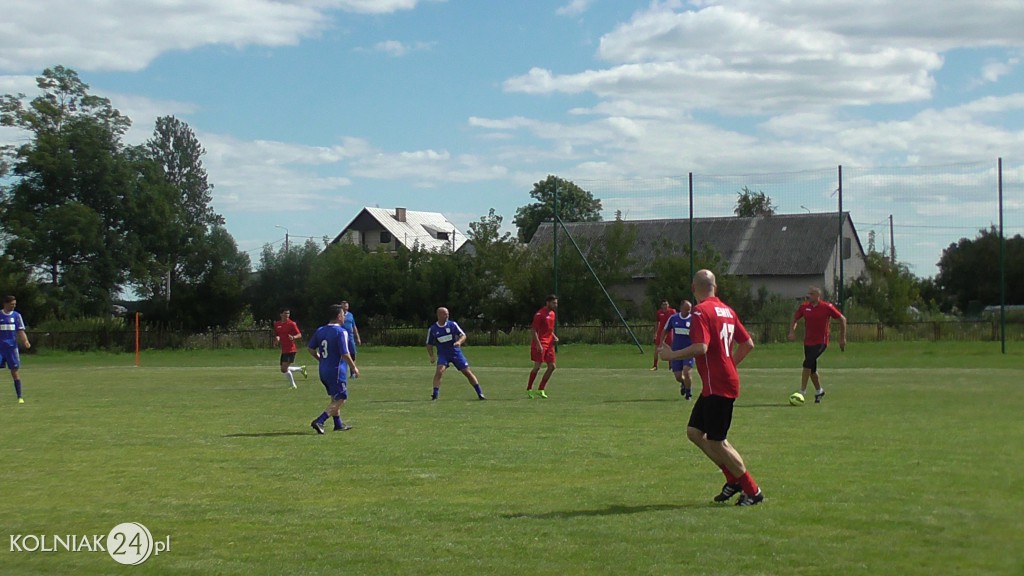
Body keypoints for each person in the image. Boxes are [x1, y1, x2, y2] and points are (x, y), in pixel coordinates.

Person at [659, 270, 764, 506]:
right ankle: (733, 479)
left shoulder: (701, 311)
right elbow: (748, 344)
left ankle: (753, 490)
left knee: (718, 441)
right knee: (694, 432)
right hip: (717, 383)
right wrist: (729, 365)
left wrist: (671, 355)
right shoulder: (727, 310)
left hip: (719, 385)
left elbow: (701, 347)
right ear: (715, 287)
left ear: (693, 288)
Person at [787, 286, 847, 404]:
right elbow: (795, 319)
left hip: (821, 342)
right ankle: (819, 391)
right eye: (808, 293)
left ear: (818, 296)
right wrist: (792, 331)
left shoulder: (827, 307)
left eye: (812, 294)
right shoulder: (804, 307)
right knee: (812, 368)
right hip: (808, 342)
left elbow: (842, 319)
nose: (809, 296)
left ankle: (802, 391)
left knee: (807, 363)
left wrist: (842, 338)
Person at [306, 304, 358, 434]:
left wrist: (320, 359)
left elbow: (310, 348)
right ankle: (320, 420)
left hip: (323, 370)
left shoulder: (320, 330)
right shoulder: (341, 332)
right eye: (343, 314)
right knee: (341, 398)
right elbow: (344, 353)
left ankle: (338, 424)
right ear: (339, 316)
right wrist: (353, 367)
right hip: (336, 370)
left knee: (335, 397)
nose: (344, 317)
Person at [426, 307, 486, 401]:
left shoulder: (452, 325)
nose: (447, 315)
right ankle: (435, 395)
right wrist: (432, 356)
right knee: (439, 371)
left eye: (447, 313)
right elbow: (429, 344)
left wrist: (459, 342)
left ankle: (480, 393)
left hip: (455, 353)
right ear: (439, 315)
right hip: (443, 354)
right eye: (445, 314)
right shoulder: (433, 329)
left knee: (467, 372)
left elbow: (463, 335)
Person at [526, 294, 558, 399]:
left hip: (549, 344)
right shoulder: (539, 314)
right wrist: (538, 344)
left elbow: (549, 329)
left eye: (556, 303)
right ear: (547, 303)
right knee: (537, 367)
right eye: (553, 303)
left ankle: (541, 389)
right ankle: (529, 389)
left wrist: (554, 336)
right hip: (540, 343)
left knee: (552, 367)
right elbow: (533, 330)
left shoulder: (552, 314)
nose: (555, 305)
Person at [1, 296, 31, 404]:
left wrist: (25, 341)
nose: (14, 306)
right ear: (5, 304)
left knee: (14, 371)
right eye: (12, 304)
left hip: (11, 348)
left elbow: (20, 331)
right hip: (0, 348)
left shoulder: (17, 316)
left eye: (15, 304)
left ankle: (19, 396)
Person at [663, 299, 694, 399]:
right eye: (686, 309)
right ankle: (684, 383)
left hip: (689, 351)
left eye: (689, 309)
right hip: (676, 351)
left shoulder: (694, 320)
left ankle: (688, 393)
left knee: (686, 372)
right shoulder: (673, 318)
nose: (688, 311)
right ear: (681, 308)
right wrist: (662, 343)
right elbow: (665, 330)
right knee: (678, 376)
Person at [273, 308, 307, 389]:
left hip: (291, 349)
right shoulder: (277, 324)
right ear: (281, 314)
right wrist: (277, 339)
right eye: (285, 313)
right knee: (283, 369)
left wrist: (293, 337)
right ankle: (300, 369)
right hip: (284, 349)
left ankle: (293, 385)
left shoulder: (292, 324)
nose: (287, 315)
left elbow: (299, 334)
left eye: (288, 313)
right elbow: (277, 334)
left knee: (284, 368)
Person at [651, 299, 677, 370]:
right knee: (657, 348)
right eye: (663, 304)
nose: (665, 306)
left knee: (670, 348)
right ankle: (655, 365)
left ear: (668, 305)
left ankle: (671, 365)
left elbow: (675, 321)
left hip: (669, 332)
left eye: (666, 304)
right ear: (661, 306)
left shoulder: (672, 311)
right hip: (661, 332)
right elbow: (657, 323)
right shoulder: (659, 312)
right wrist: (655, 333)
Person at [340, 300, 362, 378]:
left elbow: (354, 326)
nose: (346, 307)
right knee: (342, 355)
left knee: (352, 355)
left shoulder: (350, 315)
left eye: (347, 305)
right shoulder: (339, 315)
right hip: (342, 337)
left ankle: (353, 372)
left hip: (350, 337)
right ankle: (341, 372)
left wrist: (357, 337)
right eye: (344, 305)